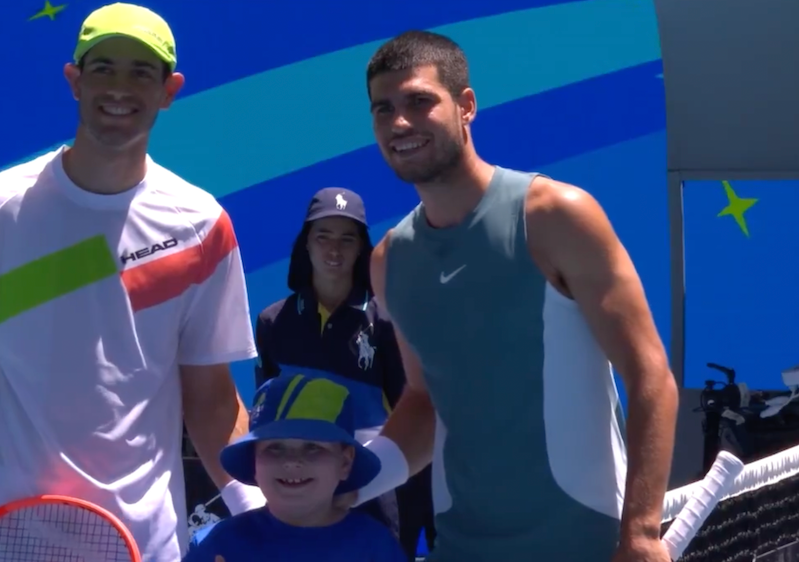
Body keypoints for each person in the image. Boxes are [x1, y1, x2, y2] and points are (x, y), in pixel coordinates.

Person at [0, 4, 266, 562]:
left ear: (170, 90)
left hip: (144, 548)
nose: (120, 86)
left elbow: (212, 400)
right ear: (74, 81)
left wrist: (262, 517)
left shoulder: (201, 225)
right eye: (104, 68)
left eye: (142, 72)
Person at [351, 31, 679, 562]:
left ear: (466, 107)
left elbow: (650, 377)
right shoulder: (389, 261)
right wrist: (349, 482)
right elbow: (424, 402)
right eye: (383, 109)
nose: (400, 123)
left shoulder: (556, 216)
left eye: (419, 101)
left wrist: (640, 533)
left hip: (586, 549)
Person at [252, 187, 434, 556]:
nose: (334, 250)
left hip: (372, 484)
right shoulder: (273, 321)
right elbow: (268, 417)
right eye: (323, 237)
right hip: (300, 481)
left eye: (346, 239)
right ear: (306, 244)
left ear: (360, 248)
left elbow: (413, 414)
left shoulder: (386, 319)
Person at [182, 374, 408, 562]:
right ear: (254, 462)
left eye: (312, 447)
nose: (291, 461)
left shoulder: (374, 546)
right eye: (275, 447)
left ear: (345, 462)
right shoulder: (217, 545)